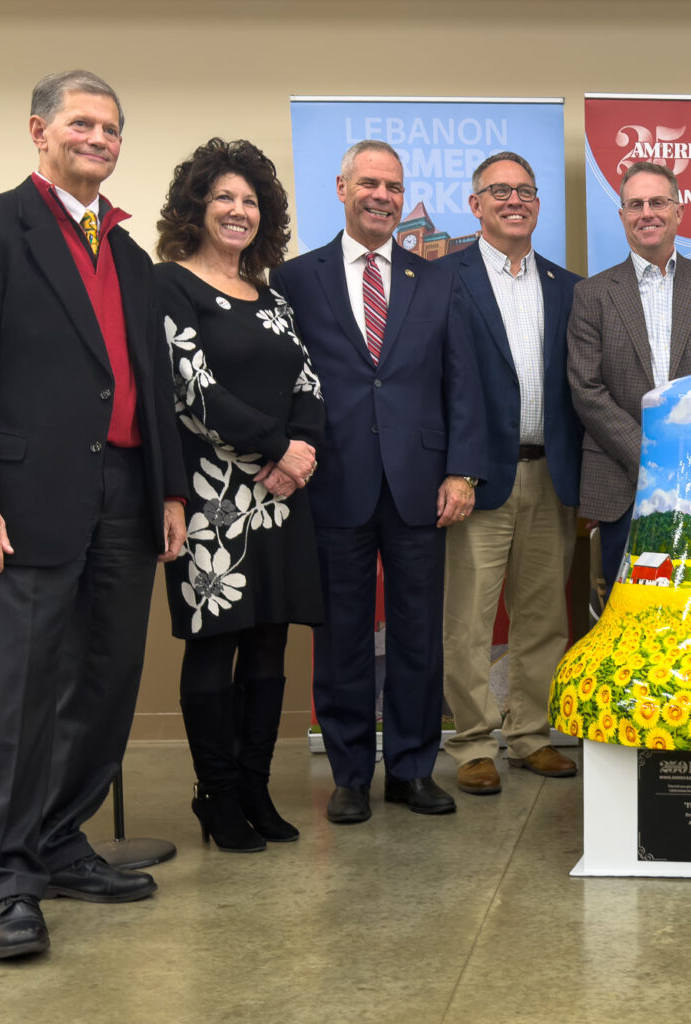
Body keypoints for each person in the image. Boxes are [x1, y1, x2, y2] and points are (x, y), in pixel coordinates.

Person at [0, 69, 188, 961]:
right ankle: (5, 883)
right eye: (81, 123)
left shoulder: (133, 255)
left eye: (111, 128)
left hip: (125, 495)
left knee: (105, 686)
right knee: (18, 697)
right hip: (22, 501)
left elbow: (150, 389)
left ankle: (63, 840)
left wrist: (170, 493)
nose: (98, 139)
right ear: (40, 130)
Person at [272, 141, 486, 825]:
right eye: (369, 183)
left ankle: (413, 769)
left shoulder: (438, 280)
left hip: (422, 484)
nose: (381, 196)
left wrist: (461, 469)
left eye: (393, 187)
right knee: (342, 636)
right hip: (332, 481)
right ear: (340, 188)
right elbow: (283, 380)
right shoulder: (296, 279)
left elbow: (463, 381)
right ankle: (349, 775)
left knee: (420, 634)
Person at [153, 138, 324, 851]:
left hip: (282, 497)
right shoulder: (171, 285)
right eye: (223, 197)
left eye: (250, 200)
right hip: (211, 501)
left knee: (267, 646)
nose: (238, 210)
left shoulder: (274, 295)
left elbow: (307, 382)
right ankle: (215, 795)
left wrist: (301, 452)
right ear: (197, 207)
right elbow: (191, 391)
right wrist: (278, 447)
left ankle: (255, 787)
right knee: (213, 646)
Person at [440, 152, 584, 795]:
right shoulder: (442, 280)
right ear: (475, 205)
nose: (514, 200)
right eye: (499, 191)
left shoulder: (567, 286)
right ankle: (472, 742)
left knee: (542, 616)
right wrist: (455, 470)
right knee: (469, 619)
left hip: (552, 473)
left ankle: (530, 735)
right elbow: (434, 387)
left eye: (525, 190)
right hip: (477, 478)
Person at [568, 160, 691, 592]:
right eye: (635, 204)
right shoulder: (591, 294)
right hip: (622, 480)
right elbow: (586, 388)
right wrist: (649, 456)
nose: (646, 213)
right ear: (621, 216)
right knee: (627, 617)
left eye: (657, 202)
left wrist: (684, 460)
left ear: (678, 211)